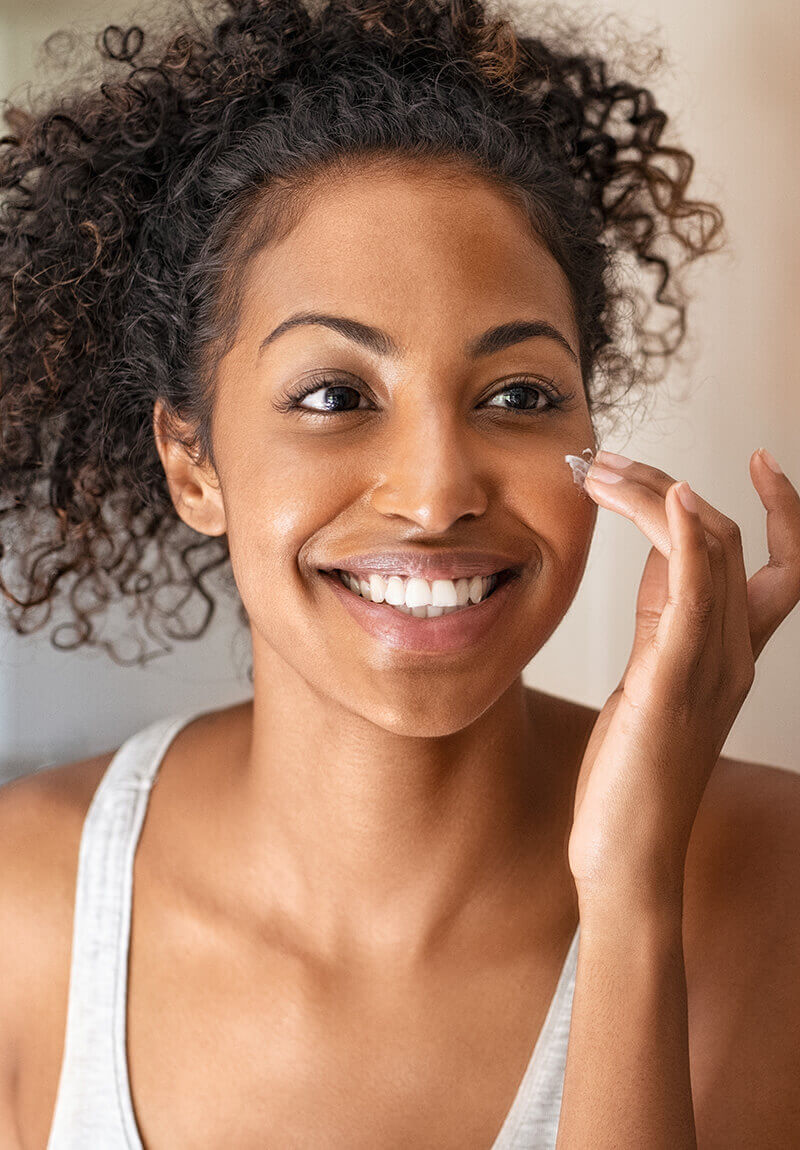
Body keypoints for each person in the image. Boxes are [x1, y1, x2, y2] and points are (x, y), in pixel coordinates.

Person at [0, 0, 798, 1146]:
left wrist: (628, 891)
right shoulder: (28, 902)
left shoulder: (778, 888)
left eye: (518, 395)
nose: (435, 494)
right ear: (192, 462)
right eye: (334, 397)